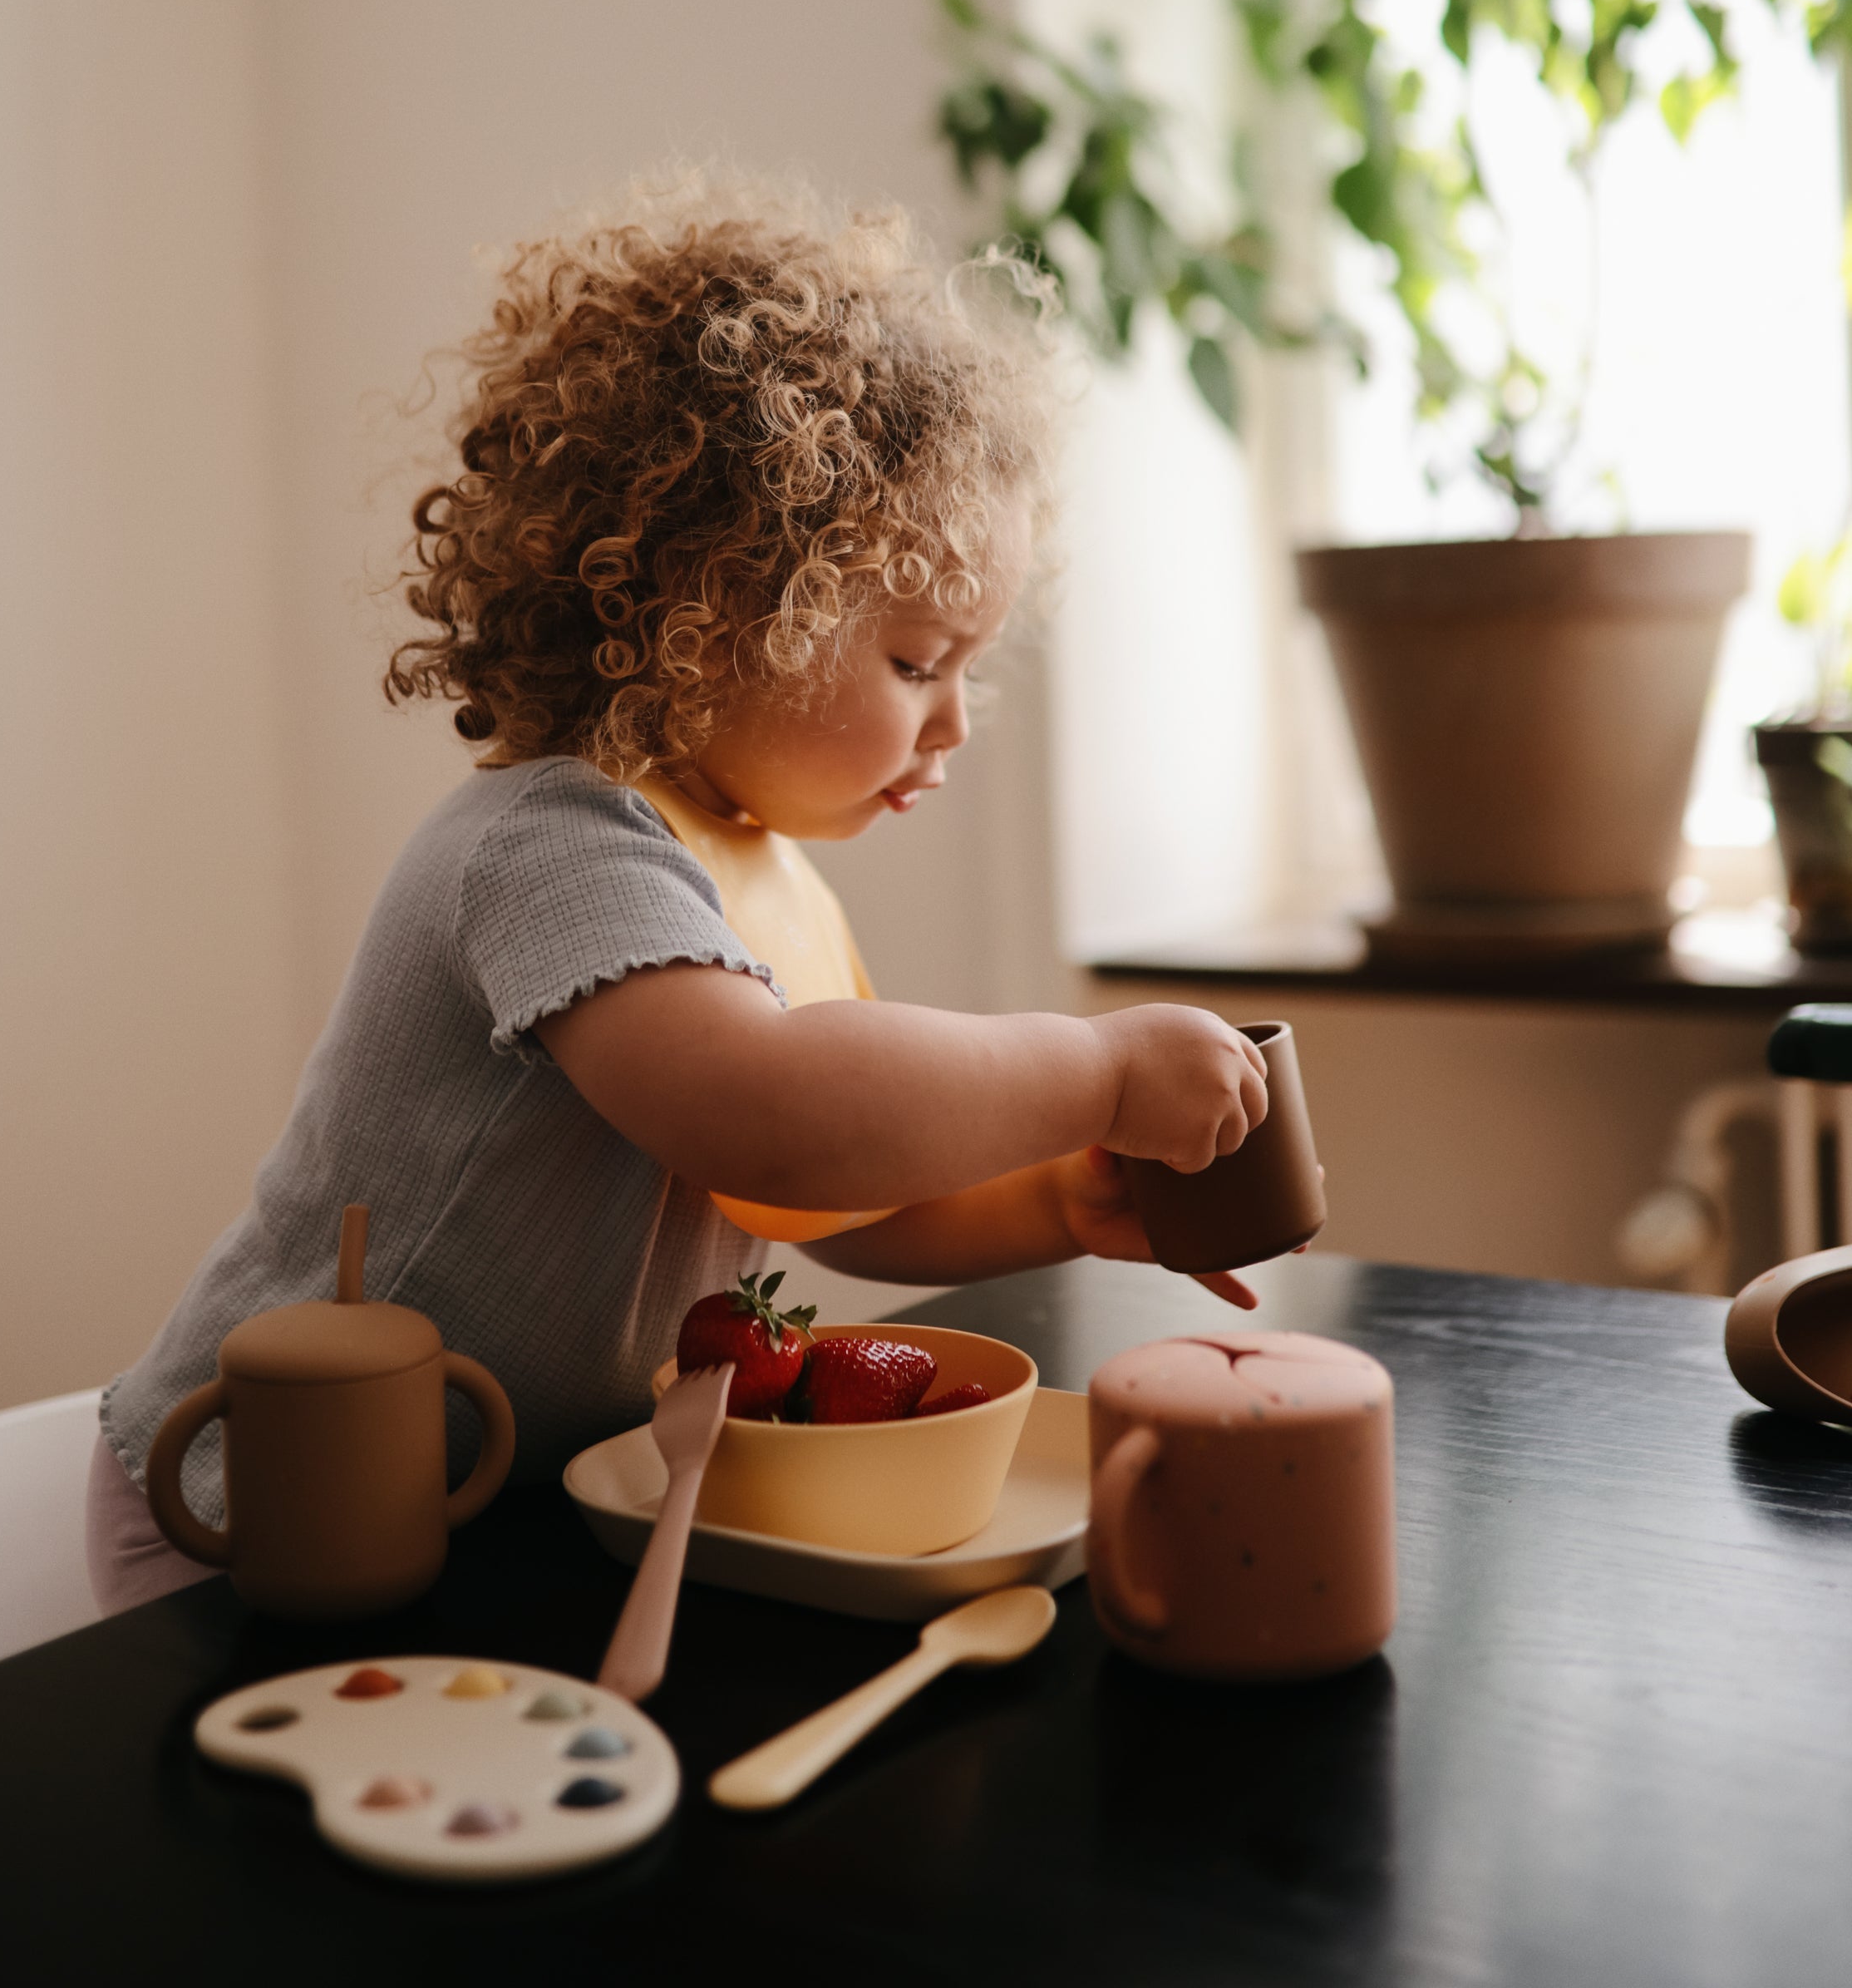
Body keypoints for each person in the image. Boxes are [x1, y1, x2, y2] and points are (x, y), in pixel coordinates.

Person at [86, 180, 1267, 1613]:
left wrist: (1059, 1203)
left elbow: (819, 1194)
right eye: (916, 662)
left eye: (971, 665)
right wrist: (1095, 1069)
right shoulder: (552, 851)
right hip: (258, 1510)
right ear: (717, 609)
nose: (956, 721)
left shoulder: (745, 869)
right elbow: (778, 1116)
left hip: (483, 1522)